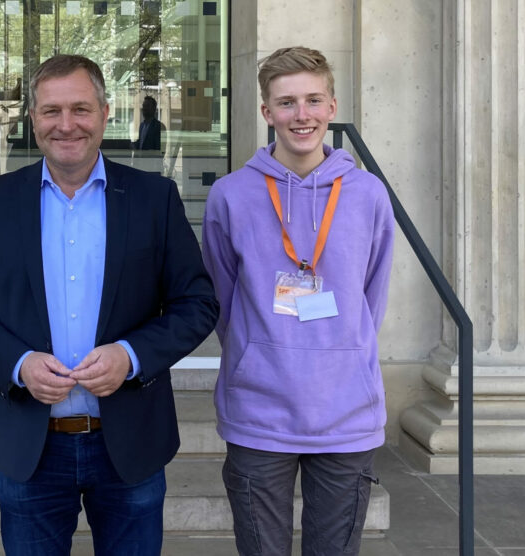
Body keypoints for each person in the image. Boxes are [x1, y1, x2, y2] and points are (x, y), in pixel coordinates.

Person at [0, 54, 218, 556]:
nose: (66, 125)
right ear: (33, 118)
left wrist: (130, 356)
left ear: (106, 113)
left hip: (130, 441)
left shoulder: (155, 199)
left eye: (81, 109)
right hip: (29, 445)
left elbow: (196, 303)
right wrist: (19, 364)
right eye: (51, 111)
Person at [201, 46, 395, 555]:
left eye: (313, 100)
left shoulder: (369, 194)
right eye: (286, 103)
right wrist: (257, 353)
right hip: (259, 412)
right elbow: (222, 298)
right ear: (267, 112)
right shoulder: (231, 195)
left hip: (345, 414)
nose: (301, 115)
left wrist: (343, 355)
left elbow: (371, 298)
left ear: (332, 106)